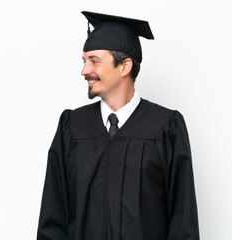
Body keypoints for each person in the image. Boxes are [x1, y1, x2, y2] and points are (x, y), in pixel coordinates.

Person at [37, 11, 200, 240]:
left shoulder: (165, 128)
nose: (84, 70)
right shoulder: (72, 127)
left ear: (124, 66)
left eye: (94, 61)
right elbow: (52, 220)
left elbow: (184, 223)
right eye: (84, 61)